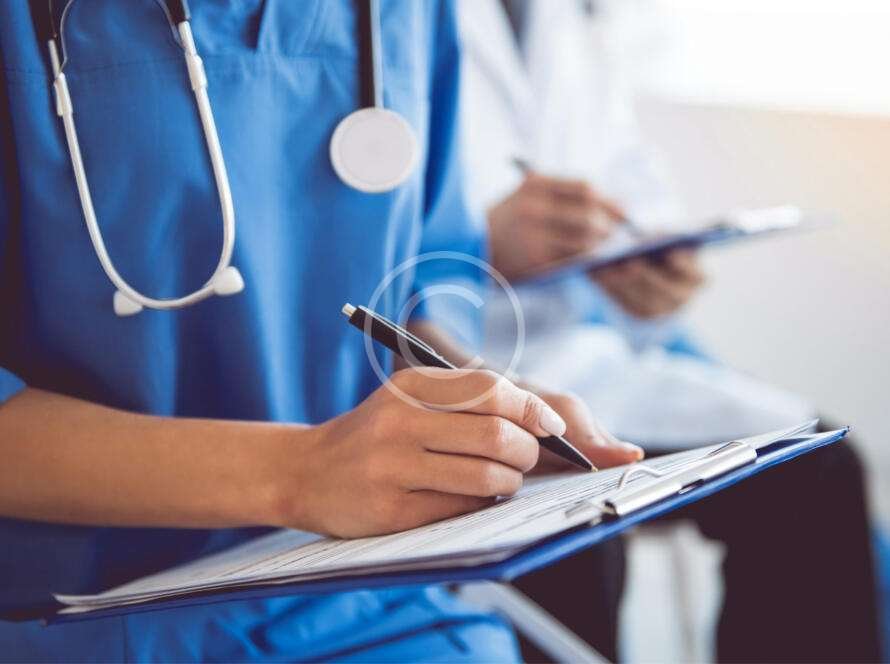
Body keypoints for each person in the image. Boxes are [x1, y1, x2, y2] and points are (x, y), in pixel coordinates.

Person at [0, 1, 642, 660]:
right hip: (71, 618)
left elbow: (405, 299)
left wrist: (478, 411)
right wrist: (299, 474)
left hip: (362, 590)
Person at [457, 0, 882, 661]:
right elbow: (368, 242)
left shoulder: (575, 22)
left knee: (820, 466)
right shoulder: (396, 24)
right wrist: (479, 245)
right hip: (467, 367)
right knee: (565, 525)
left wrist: (654, 278)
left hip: (589, 363)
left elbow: (631, 190)